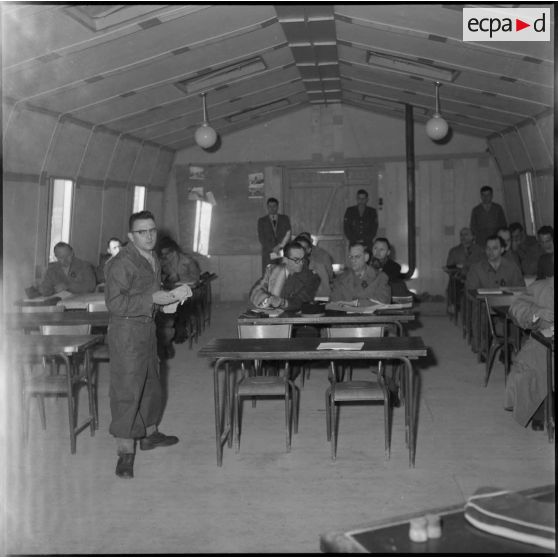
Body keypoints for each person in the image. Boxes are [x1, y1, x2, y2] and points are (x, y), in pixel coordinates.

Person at [105, 210, 191, 479]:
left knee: (151, 383)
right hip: (127, 332)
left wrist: (169, 302)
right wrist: (155, 300)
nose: (149, 235)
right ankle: (125, 452)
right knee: (128, 389)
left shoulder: (151, 257)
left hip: (147, 328)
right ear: (131, 236)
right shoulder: (122, 263)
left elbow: (150, 295)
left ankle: (149, 434)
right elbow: (116, 304)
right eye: (142, 232)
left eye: (152, 230)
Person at [504, 269, 554, 430]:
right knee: (530, 369)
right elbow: (515, 308)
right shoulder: (541, 287)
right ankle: (538, 411)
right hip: (542, 344)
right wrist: (537, 313)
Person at [466, 235, 525, 354]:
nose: (490, 252)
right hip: (484, 305)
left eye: (494, 248)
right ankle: (482, 346)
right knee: (479, 310)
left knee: (517, 311)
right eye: (488, 248)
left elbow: (520, 289)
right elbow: (470, 291)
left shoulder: (512, 267)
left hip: (506, 305)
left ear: (502, 250)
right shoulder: (477, 268)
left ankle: (509, 346)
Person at [157, 236, 201, 351]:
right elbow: (158, 277)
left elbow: (196, 278)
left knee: (180, 308)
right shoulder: (162, 262)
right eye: (163, 255)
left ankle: (179, 331)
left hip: (188, 293)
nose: (166, 257)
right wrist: (166, 277)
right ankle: (169, 334)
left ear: (174, 251)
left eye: (168, 254)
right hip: (170, 292)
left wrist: (180, 277)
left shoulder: (188, 261)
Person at [249, 240, 319, 312]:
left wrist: (282, 302)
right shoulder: (272, 270)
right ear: (285, 260)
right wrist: (267, 299)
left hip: (295, 318)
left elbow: (301, 301)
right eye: (296, 260)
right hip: (269, 316)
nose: (301, 263)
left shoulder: (311, 277)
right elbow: (256, 290)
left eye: (302, 259)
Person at [445, 227, 484, 314]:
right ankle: (453, 305)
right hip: (459, 277)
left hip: (475, 279)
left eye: (466, 235)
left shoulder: (480, 251)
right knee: (453, 281)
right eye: (461, 235)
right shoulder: (454, 251)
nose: (463, 237)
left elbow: (483, 266)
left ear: (473, 237)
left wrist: (468, 267)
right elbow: (449, 267)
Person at [257, 197, 291, 274]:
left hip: (282, 252)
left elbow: (288, 234)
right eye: (270, 206)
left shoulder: (285, 218)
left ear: (277, 207)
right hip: (269, 253)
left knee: (283, 275)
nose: (272, 208)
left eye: (274, 206)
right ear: (267, 207)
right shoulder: (262, 221)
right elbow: (262, 238)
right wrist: (273, 248)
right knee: (269, 276)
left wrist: (279, 246)